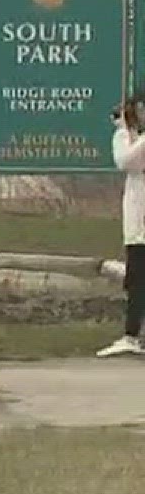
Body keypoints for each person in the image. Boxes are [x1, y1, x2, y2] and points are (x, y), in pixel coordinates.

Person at [100, 94, 145, 356]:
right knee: (137, 279)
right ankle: (131, 335)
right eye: (138, 110)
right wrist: (127, 133)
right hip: (138, 221)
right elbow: (125, 162)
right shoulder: (124, 138)